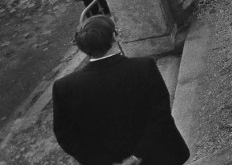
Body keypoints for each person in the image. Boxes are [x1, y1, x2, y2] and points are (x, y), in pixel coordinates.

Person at [53, 15, 191, 165]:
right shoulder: (144, 68)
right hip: (158, 156)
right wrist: (137, 155)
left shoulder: (65, 88)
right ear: (115, 36)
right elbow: (160, 114)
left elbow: (66, 136)